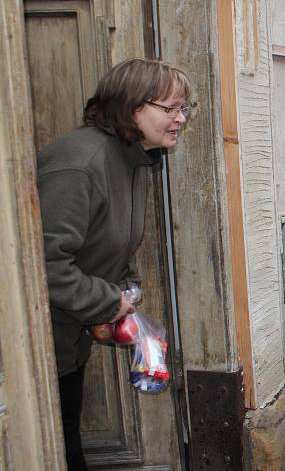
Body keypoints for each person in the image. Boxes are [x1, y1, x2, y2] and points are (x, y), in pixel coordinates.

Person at [37, 58, 192, 470]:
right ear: (131, 108)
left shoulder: (134, 160)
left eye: (183, 109)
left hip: (69, 342)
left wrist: (127, 291)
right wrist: (108, 301)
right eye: (170, 108)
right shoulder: (81, 165)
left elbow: (113, 246)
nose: (180, 119)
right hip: (35, 351)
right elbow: (42, 266)